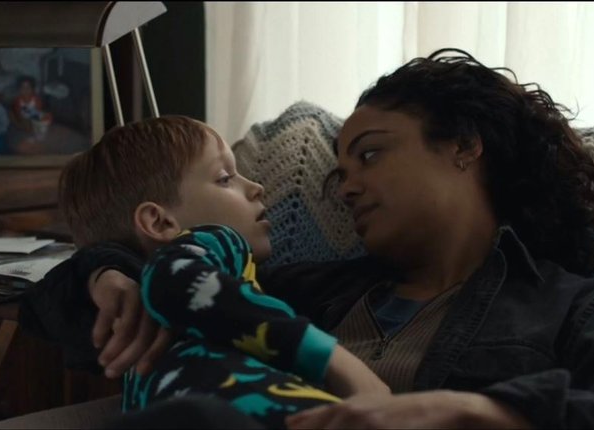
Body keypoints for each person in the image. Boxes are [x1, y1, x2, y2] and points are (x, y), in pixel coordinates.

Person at [21, 48, 594, 429]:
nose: (348, 185)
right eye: (341, 170)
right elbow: (56, 311)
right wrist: (106, 272)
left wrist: (482, 411)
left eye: (371, 154)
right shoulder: (305, 289)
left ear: (463, 147)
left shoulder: (563, 306)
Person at [52, 116, 389, 428]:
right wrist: (330, 358)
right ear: (160, 222)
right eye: (225, 178)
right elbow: (173, 281)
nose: (256, 187)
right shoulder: (214, 240)